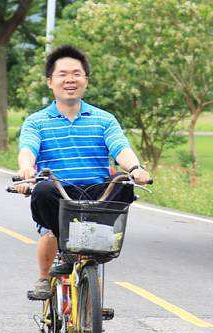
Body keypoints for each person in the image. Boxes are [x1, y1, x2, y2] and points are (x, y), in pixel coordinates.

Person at [16, 45, 151, 300]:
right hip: (58, 192)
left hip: (97, 192)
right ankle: (49, 271)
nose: (70, 79)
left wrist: (135, 168)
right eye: (63, 74)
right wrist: (26, 170)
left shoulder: (104, 119)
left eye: (76, 74)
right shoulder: (36, 122)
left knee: (124, 184)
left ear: (86, 80)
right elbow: (28, 150)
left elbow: (120, 148)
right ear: (50, 81)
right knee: (43, 192)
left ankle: (95, 252)